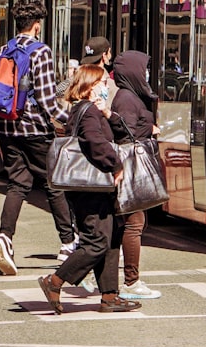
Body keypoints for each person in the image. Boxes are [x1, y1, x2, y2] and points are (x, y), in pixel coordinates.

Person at [37, 64, 141, 314]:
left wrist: (108, 113)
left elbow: (125, 133)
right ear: (90, 87)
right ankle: (55, 281)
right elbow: (95, 142)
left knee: (111, 239)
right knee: (96, 241)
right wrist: (115, 165)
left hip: (98, 188)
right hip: (90, 189)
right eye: (103, 83)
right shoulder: (86, 111)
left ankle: (109, 295)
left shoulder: (94, 111)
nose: (107, 87)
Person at [0, 0, 74, 275]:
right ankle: (68, 242)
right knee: (53, 183)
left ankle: (5, 236)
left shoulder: (3, 51)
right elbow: (48, 99)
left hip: (6, 130)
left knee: (18, 184)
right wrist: (71, 119)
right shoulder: (40, 52)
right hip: (35, 129)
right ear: (37, 25)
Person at [110, 50, 162, 300]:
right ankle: (131, 281)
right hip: (131, 168)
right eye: (144, 68)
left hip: (130, 167)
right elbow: (125, 132)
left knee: (130, 224)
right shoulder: (127, 99)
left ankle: (112, 277)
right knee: (134, 225)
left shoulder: (129, 95)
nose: (147, 73)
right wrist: (149, 128)